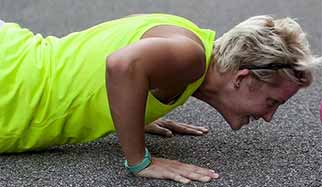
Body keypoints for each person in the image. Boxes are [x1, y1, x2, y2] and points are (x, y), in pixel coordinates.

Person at [0, 13, 319, 184]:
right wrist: (140, 161)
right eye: (272, 102)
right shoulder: (190, 57)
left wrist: (133, 111)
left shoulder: (191, 42)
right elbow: (122, 65)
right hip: (12, 90)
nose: (269, 117)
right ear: (243, 78)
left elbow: (109, 59)